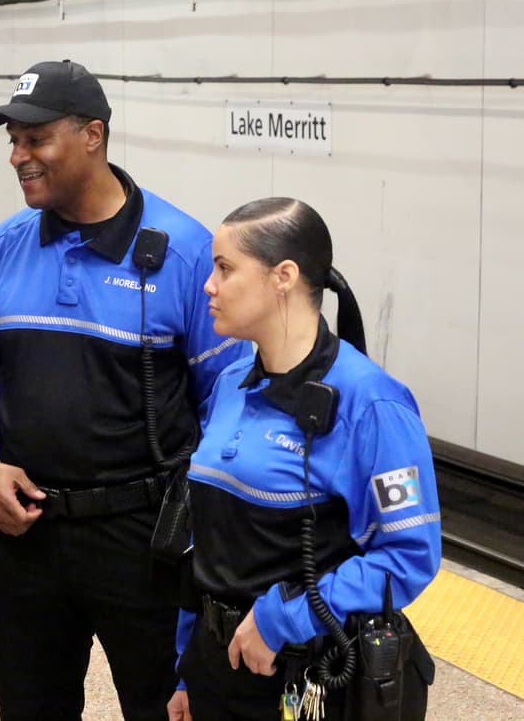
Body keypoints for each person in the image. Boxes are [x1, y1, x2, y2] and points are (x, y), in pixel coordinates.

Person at [0, 59, 247, 720]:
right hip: (22, 541)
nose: (19, 156)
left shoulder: (185, 254)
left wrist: (218, 546)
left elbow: (230, 400)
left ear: (93, 135)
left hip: (147, 546)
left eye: (36, 138)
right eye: (13, 141)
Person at [169, 197, 440, 721]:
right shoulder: (229, 385)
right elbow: (206, 542)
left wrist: (282, 618)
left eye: (225, 269)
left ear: (283, 277)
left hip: (305, 682)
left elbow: (407, 556)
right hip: (215, 669)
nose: (209, 285)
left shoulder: (374, 406)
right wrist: (188, 668)